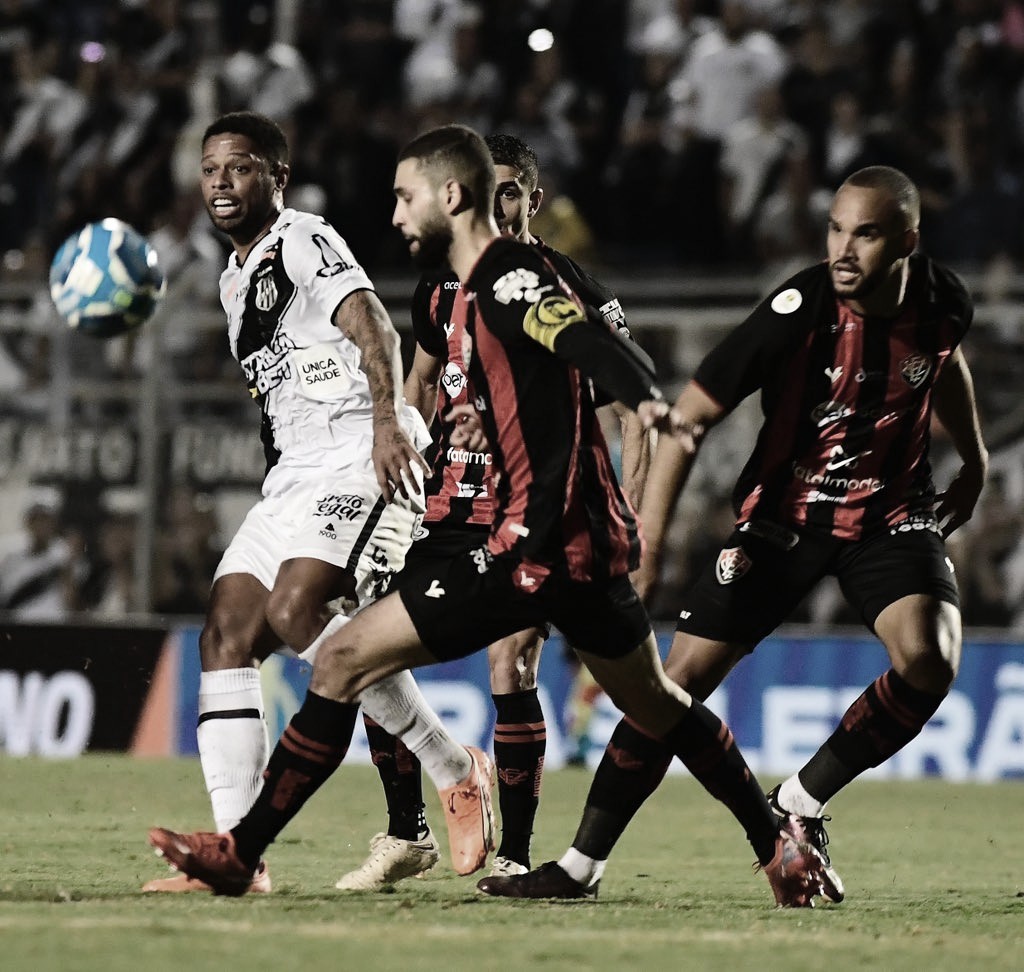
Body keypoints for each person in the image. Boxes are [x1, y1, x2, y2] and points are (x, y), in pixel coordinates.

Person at [148, 123, 829, 908]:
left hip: (522, 546)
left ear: (450, 196)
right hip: (580, 549)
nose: (396, 216)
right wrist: (478, 419)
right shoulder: (466, 291)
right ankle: (776, 844)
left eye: (405, 198)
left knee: (338, 659)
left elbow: (584, 343)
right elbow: (538, 382)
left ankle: (248, 851)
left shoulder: (505, 277)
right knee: (658, 704)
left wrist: (642, 394)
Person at [484, 164, 988, 902]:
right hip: (782, 519)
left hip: (888, 513)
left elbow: (941, 362)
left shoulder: (945, 302)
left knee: (930, 659)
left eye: (866, 234)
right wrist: (646, 541)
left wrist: (971, 457)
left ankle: (800, 803)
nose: (843, 250)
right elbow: (687, 421)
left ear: (908, 241)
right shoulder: (799, 308)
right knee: (672, 687)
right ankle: (580, 866)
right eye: (835, 230)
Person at [143, 111, 496, 893]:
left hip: (362, 451)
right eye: (210, 170)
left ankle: (454, 766)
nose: (222, 183)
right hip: (296, 473)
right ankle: (238, 859)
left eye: (240, 167)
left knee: (300, 611)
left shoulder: (304, 237)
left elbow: (371, 321)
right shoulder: (235, 278)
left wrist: (382, 422)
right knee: (225, 634)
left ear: (277, 175)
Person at [336, 133, 650, 890]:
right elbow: (418, 390)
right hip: (442, 502)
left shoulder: (564, 284)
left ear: (533, 201)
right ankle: (405, 832)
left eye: (513, 191)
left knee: (512, 663)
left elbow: (628, 409)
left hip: (527, 506)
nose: (498, 204)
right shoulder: (439, 287)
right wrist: (396, 487)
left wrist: (629, 516)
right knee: (371, 648)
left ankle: (515, 851)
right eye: (490, 189)